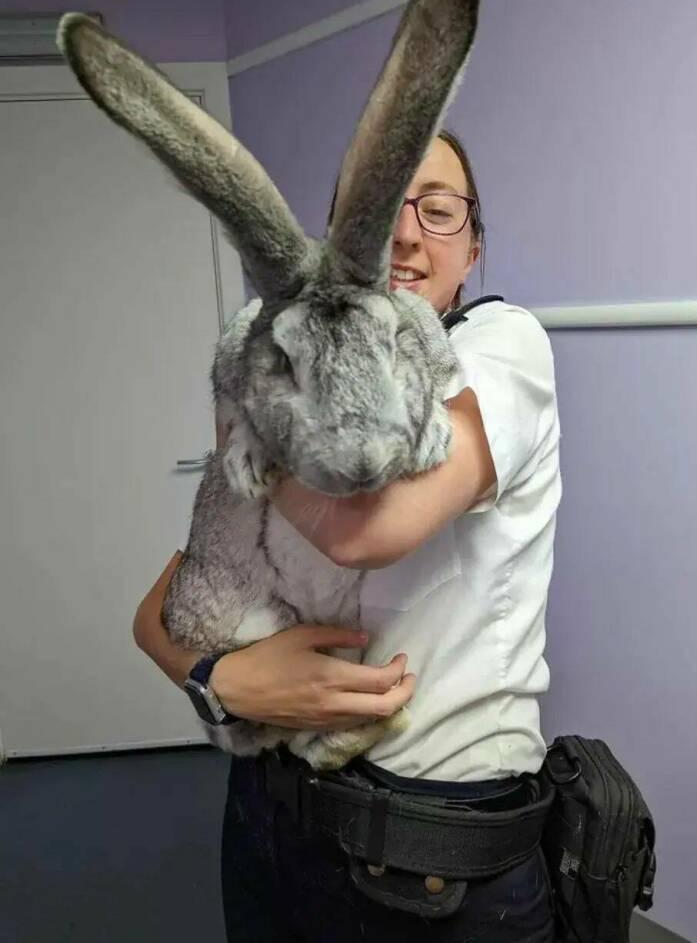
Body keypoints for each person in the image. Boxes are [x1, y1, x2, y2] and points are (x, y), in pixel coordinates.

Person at [133, 129, 562, 942]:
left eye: (438, 210)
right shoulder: (287, 357)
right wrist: (221, 679)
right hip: (268, 810)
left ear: (473, 248)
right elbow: (160, 611)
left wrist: (249, 412)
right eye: (378, 210)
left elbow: (367, 530)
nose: (404, 234)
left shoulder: (501, 346)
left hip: (430, 848)